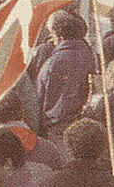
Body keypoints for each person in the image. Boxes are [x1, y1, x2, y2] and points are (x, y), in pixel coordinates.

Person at [33, 7, 98, 139]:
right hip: (84, 123)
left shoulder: (53, 62)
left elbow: (40, 96)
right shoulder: (90, 56)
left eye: (53, 35)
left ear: (60, 36)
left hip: (56, 126)